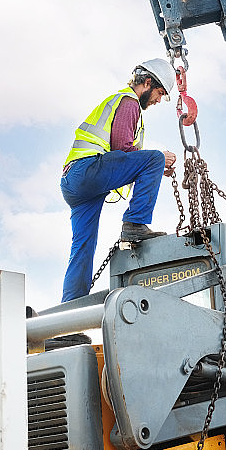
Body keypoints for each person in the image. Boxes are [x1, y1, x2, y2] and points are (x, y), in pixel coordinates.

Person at [60, 59, 177, 303]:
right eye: (159, 93)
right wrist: (156, 160)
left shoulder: (120, 101)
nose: (158, 100)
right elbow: (121, 148)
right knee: (155, 157)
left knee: (83, 248)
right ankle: (135, 223)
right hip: (88, 170)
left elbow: (125, 158)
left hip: (74, 182)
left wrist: (152, 168)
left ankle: (70, 306)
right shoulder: (129, 102)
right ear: (147, 83)